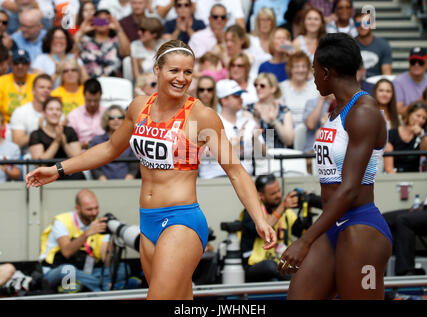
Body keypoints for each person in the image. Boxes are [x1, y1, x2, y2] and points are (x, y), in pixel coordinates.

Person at [25, 40, 277, 299]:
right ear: (157, 69)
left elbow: (236, 171)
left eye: (188, 72)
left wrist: (259, 217)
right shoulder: (139, 107)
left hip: (182, 221)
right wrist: (58, 169)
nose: (182, 78)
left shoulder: (200, 116)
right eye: (174, 71)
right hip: (148, 222)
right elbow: (110, 148)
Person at [277, 33, 393, 300]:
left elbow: (350, 188)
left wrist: (305, 240)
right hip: (333, 224)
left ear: (327, 72)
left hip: (362, 226)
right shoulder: (335, 110)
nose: (313, 77)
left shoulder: (364, 111)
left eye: (315, 70)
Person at [38, 189, 127, 292]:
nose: (94, 213)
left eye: (96, 208)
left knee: (122, 269)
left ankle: (88, 286)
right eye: (89, 209)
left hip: (86, 272)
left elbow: (106, 262)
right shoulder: (62, 221)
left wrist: (114, 238)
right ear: (78, 208)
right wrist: (87, 233)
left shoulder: (100, 225)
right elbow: (67, 252)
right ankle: (107, 287)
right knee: (68, 270)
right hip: (55, 271)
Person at [198, 78, 265, 179]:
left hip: (246, 177)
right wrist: (235, 141)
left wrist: (255, 139)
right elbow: (205, 154)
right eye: (236, 96)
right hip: (215, 178)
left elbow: (264, 153)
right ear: (224, 100)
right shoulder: (209, 121)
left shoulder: (249, 122)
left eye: (240, 95)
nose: (240, 99)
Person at [240, 174, 299, 282]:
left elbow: (301, 231)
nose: (279, 195)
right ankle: (299, 281)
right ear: (261, 195)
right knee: (271, 266)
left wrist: (306, 207)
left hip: (282, 262)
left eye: (279, 191)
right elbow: (263, 228)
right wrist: (283, 207)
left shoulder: (287, 213)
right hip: (254, 266)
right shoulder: (251, 213)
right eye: (273, 193)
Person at [383, 175, 427, 275]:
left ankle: (405, 272)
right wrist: (421, 206)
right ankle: (384, 268)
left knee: (403, 220)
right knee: (385, 219)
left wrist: (425, 208)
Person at [29, 96, 85, 180]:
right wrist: (56, 142)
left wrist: (64, 144)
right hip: (46, 177)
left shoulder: (69, 131)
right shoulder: (36, 134)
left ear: (61, 113)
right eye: (51, 109)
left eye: (58, 109)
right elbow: (39, 164)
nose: (55, 112)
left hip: (70, 175)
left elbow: (78, 161)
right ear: (44, 113)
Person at [244, 72, 294, 148]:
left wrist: (274, 121)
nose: (258, 88)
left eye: (262, 86)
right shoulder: (249, 109)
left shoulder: (284, 110)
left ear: (273, 88)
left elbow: (289, 141)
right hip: (257, 155)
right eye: (256, 85)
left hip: (279, 156)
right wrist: (256, 120)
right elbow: (248, 138)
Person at [76, 9, 131, 78]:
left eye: (105, 20)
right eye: (99, 20)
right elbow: (71, 52)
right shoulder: (84, 40)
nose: (102, 23)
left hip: (113, 82)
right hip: (89, 83)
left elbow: (127, 53)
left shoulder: (117, 40)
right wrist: (81, 31)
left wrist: (118, 29)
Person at [89, 105, 139, 180]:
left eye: (120, 117)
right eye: (112, 118)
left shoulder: (132, 140)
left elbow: (134, 166)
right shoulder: (96, 141)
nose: (116, 120)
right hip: (101, 185)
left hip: (127, 185)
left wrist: (126, 183)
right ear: (106, 120)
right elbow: (94, 167)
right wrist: (104, 182)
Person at [10, 73, 53, 157]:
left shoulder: (56, 111)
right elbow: (17, 143)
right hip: (29, 157)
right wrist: (40, 131)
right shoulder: (20, 112)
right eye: (42, 87)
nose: (46, 90)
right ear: (33, 90)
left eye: (49, 88)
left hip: (55, 156)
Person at [384, 101, 427, 174]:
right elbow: (388, 168)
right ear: (409, 114)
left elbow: (426, 151)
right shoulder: (392, 134)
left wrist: (421, 135)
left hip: (415, 176)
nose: (421, 120)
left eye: (424, 118)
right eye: (418, 116)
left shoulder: (424, 136)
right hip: (393, 178)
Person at [393, 47, 427, 116]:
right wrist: (421, 101)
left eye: (421, 62)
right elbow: (398, 111)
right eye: (413, 62)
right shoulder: (398, 82)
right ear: (409, 63)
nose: (416, 65)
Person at [280, 50, 320, 129]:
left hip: (310, 133)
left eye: (304, 66)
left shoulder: (316, 87)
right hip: (286, 131)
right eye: (297, 66)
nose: (301, 70)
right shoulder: (281, 87)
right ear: (290, 69)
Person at [67, 78, 106, 151]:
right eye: (89, 100)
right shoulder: (74, 115)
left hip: (105, 154)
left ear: (101, 95)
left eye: (96, 100)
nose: (92, 104)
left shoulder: (107, 113)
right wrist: (84, 145)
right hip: (81, 155)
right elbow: (69, 143)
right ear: (83, 95)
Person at [0, 49, 37, 123]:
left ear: (29, 64)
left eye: (24, 62)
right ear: (11, 63)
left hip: (32, 123)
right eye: (16, 62)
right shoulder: (1, 81)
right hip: (7, 123)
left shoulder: (36, 80)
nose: (20, 66)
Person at [354, 11, 392, 79]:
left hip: (376, 86)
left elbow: (387, 75)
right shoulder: (349, 46)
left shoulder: (383, 45)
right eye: (358, 24)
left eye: (365, 23)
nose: (362, 26)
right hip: (355, 86)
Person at [0, 112, 21, 182]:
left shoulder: (13, 148)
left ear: (3, 126)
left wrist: (5, 169)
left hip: (6, 189)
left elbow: (17, 174)